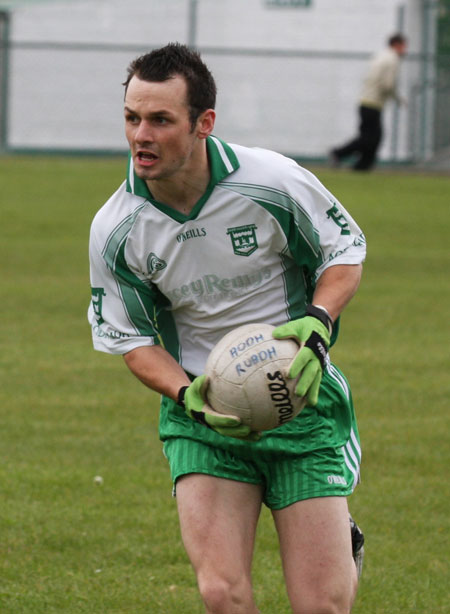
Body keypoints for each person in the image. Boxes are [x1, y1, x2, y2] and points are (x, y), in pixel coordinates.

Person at [88, 43, 366, 614]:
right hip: (202, 416)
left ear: (203, 123)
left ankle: (343, 537)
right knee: (222, 595)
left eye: (161, 119)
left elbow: (344, 251)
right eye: (132, 117)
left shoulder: (272, 180)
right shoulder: (117, 228)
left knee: (322, 607)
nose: (142, 134)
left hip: (300, 403)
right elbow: (131, 340)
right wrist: (186, 395)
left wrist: (316, 324)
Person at [330, 33, 408, 171]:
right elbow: (388, 84)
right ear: (397, 44)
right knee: (370, 138)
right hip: (373, 103)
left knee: (372, 137)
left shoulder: (381, 56)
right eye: (404, 46)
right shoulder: (392, 59)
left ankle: (362, 165)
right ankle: (339, 153)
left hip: (366, 101)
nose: (405, 50)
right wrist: (398, 99)